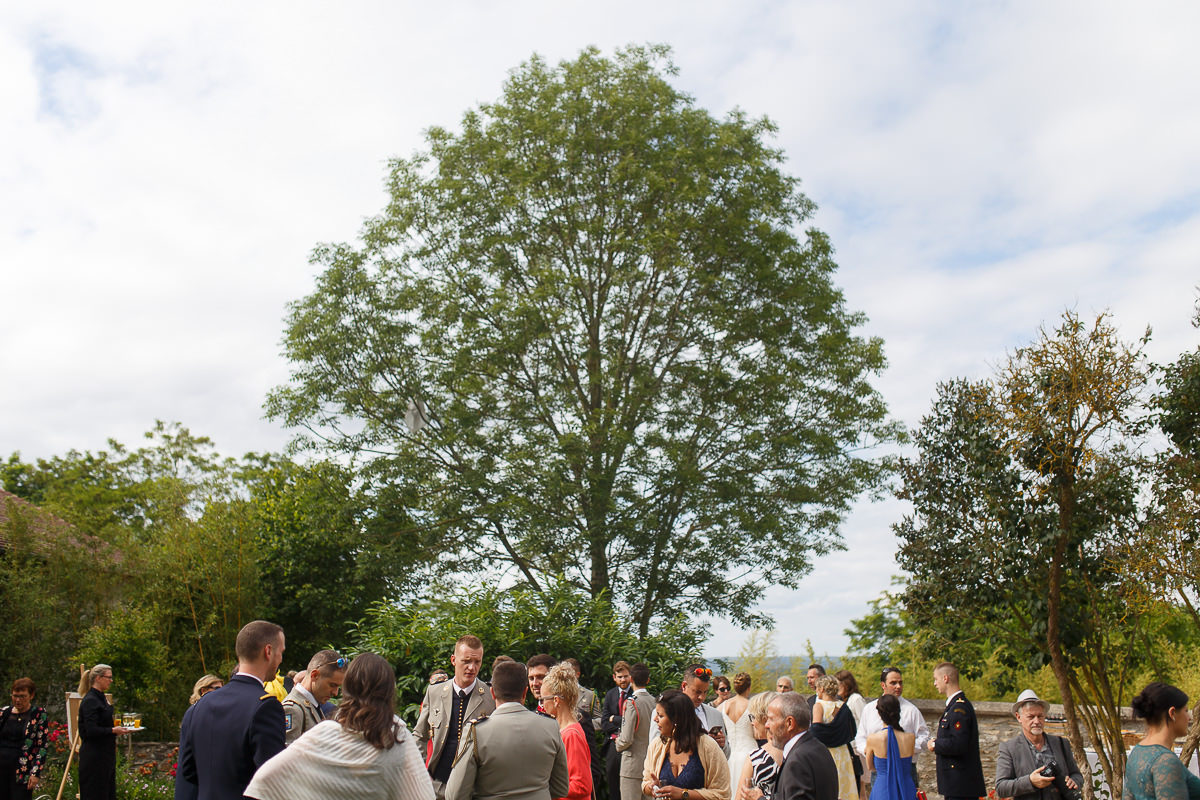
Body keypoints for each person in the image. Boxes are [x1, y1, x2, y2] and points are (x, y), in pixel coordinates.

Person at [244, 653, 435, 800]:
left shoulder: (325, 730)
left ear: (348, 687)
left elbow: (267, 778)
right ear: (388, 691)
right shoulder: (397, 734)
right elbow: (422, 793)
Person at [178, 620, 287, 800]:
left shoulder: (202, 705)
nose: (281, 659)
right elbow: (273, 780)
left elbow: (189, 770)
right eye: (281, 652)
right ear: (268, 651)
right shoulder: (266, 706)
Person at [444, 660, 569, 800]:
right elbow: (561, 789)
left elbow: (455, 795)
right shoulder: (550, 726)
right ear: (525, 692)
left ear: (492, 692)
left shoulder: (476, 732)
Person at [414, 635, 495, 800]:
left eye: (477, 662)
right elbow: (419, 735)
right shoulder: (435, 692)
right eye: (466, 661)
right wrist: (420, 772)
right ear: (453, 660)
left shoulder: (490, 696)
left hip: (473, 791)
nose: (472, 668)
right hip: (436, 787)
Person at [641, 690, 731, 800]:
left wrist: (684, 794)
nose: (655, 720)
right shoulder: (657, 745)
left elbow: (722, 794)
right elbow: (645, 783)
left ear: (676, 719)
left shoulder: (708, 747)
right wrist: (651, 787)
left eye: (660, 716)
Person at [994, 690, 1082, 800]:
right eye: (1031, 717)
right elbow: (1001, 788)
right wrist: (1030, 781)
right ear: (1018, 717)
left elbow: (1077, 775)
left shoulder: (1061, 743)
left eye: (1040, 716)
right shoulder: (1009, 748)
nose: (1037, 721)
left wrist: (1074, 782)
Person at [853, 669, 928, 791]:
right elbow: (860, 737)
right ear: (883, 685)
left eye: (900, 682)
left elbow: (924, 737)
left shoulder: (911, 710)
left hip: (906, 768)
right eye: (893, 683)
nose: (898, 686)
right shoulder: (869, 709)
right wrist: (868, 750)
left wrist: (905, 748)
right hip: (880, 769)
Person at [1125, 682, 1200, 800]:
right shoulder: (1166, 761)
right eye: (1185, 711)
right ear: (1172, 713)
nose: (1189, 717)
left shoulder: (1137, 752)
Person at [928, 663, 985, 800]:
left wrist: (935, 744)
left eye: (936, 679)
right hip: (957, 786)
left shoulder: (959, 708)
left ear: (945, 678)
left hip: (961, 785)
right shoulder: (954, 706)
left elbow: (959, 743)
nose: (935, 683)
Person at [769, 691, 837, 800]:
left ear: (789, 723)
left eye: (771, 719)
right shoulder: (820, 748)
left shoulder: (797, 761)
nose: (767, 725)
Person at [541, 663, 594, 800]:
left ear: (556, 700)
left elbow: (582, 785)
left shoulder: (571, 735)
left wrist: (545, 786)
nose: (542, 705)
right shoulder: (566, 730)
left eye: (543, 699)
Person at [79, 664, 128, 800]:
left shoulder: (101, 698)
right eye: (108, 677)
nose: (111, 680)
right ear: (98, 678)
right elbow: (91, 729)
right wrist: (113, 730)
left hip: (105, 756)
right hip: (94, 758)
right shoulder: (90, 700)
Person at [175, 676, 225, 800]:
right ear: (203, 690)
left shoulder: (196, 711)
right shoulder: (197, 712)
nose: (222, 693)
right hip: (194, 775)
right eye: (217, 689)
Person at [283, 650, 347, 745]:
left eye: (338, 687)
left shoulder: (312, 706)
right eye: (332, 685)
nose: (335, 693)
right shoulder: (293, 709)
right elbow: (287, 757)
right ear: (314, 675)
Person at [1, 678, 48, 800]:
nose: (18, 700)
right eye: (15, 696)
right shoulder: (4, 713)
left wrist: (35, 772)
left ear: (31, 695)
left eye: (22, 696)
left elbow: (42, 746)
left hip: (22, 771)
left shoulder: (38, 714)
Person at [811, 676, 856, 800]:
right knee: (843, 786)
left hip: (826, 752)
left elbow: (816, 731)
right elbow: (852, 731)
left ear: (821, 689)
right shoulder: (844, 707)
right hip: (842, 751)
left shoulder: (819, 706)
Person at [616, 663, 655, 800]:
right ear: (648, 680)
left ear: (631, 679)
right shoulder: (654, 702)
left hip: (632, 766)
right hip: (651, 764)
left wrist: (617, 743)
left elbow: (626, 738)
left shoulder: (632, 702)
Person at [863, 696, 915, 800]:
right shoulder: (910, 737)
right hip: (906, 786)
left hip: (883, 787)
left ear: (879, 713)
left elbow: (871, 767)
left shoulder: (873, 739)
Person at [734, 691, 781, 800]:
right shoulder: (793, 751)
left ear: (764, 719)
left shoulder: (756, 758)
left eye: (753, 717)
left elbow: (739, 798)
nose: (752, 722)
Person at [679, 665, 730, 756]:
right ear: (684, 686)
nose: (701, 697)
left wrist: (722, 745)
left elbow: (726, 755)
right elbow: (656, 751)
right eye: (697, 692)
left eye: (705, 692)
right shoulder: (667, 712)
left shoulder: (716, 714)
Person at [602, 661, 634, 800]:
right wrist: (623, 722)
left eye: (625, 676)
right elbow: (604, 723)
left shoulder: (635, 693)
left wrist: (614, 719)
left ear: (631, 677)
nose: (623, 680)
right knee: (612, 780)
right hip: (613, 743)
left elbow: (635, 722)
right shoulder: (610, 695)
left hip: (631, 744)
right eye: (620, 677)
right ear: (614, 678)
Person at [723, 673, 755, 791]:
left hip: (729, 755)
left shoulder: (723, 706)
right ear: (749, 687)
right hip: (749, 752)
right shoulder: (752, 706)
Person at [564, 658, 602, 724]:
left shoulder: (589, 695)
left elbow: (600, 720)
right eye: (565, 674)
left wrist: (585, 725)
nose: (567, 677)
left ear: (577, 674)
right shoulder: (558, 694)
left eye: (570, 674)